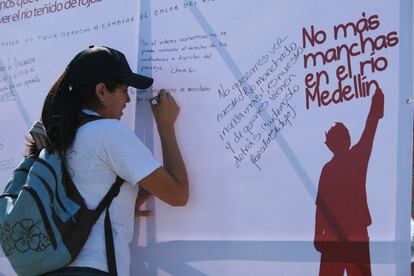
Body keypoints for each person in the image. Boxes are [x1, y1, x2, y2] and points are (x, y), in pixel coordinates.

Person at [30, 45, 188, 275]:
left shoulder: (62, 136)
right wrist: (165, 127)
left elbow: (90, 193)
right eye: (124, 90)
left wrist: (127, 200)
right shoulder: (108, 132)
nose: (128, 100)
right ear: (101, 91)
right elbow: (178, 195)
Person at [314, 87, 384, 276]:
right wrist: (376, 107)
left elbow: (320, 206)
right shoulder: (356, 159)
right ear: (347, 139)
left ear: (330, 145)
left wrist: (317, 234)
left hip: (334, 235)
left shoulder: (328, 170)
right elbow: (369, 129)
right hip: (353, 233)